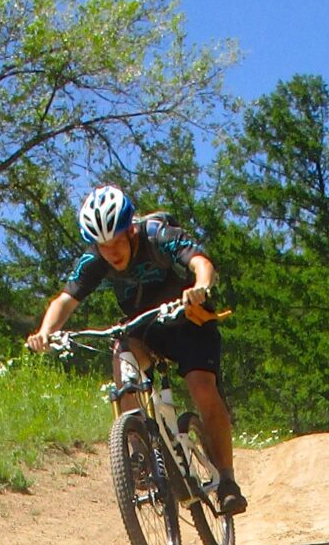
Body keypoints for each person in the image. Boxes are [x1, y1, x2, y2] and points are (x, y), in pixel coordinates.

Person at [25, 185, 246, 517]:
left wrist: (200, 286)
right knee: (123, 363)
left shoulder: (157, 235)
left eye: (116, 241)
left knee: (202, 389)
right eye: (103, 245)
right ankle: (141, 455)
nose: (111, 252)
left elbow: (200, 261)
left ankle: (227, 481)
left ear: (130, 230)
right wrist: (44, 332)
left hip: (188, 321)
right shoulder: (96, 260)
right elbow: (65, 300)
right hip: (146, 330)